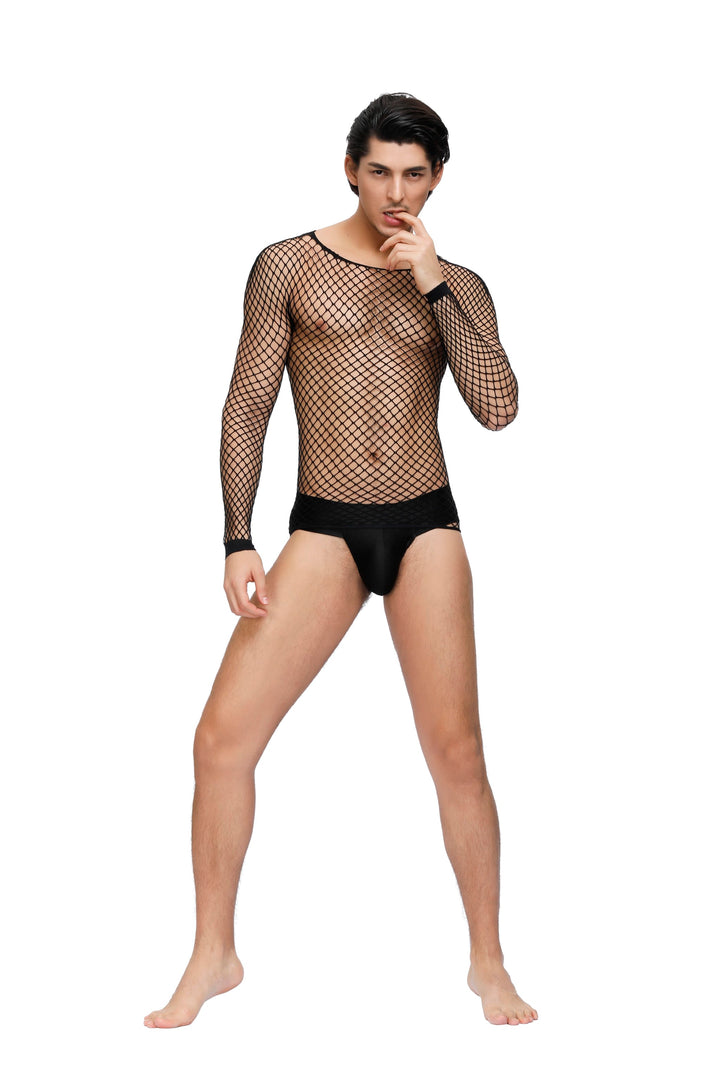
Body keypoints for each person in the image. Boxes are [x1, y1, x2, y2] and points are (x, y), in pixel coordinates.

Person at [144, 92, 538, 1028]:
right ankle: (214, 954)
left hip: (425, 525)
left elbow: (499, 410)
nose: (395, 193)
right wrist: (237, 535)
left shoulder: (458, 283)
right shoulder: (288, 264)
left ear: (437, 180)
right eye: (379, 172)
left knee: (457, 752)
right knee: (221, 741)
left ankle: (488, 963)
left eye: (414, 176)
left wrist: (434, 281)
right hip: (324, 528)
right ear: (350, 169)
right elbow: (248, 401)